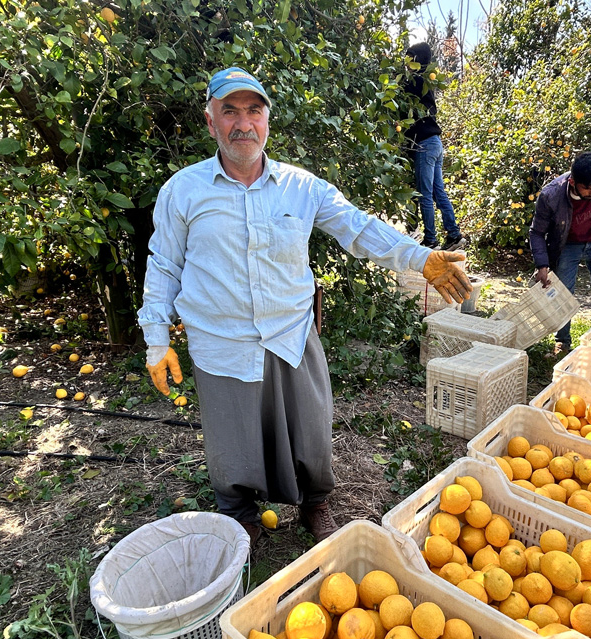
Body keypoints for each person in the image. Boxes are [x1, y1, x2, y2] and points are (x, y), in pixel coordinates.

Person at [138, 67, 470, 544]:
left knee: (310, 433)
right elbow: (164, 265)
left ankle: (315, 504)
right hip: (221, 343)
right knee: (232, 446)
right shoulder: (183, 191)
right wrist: (155, 339)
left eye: (254, 111)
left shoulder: (301, 186)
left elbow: (357, 228)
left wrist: (420, 258)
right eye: (229, 111)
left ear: (267, 121)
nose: (242, 123)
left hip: (290, 335)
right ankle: (241, 516)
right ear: (210, 121)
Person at [527, 151, 591, 352]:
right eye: (587, 188)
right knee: (563, 294)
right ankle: (562, 342)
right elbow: (536, 232)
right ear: (573, 182)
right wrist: (542, 265)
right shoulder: (551, 195)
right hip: (568, 246)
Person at [403, 42, 462, 251]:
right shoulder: (426, 82)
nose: (406, 62)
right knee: (439, 192)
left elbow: (401, 96)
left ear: (417, 60)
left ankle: (430, 239)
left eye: (410, 58)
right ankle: (454, 235)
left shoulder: (414, 81)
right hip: (435, 144)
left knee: (424, 194)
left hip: (425, 146)